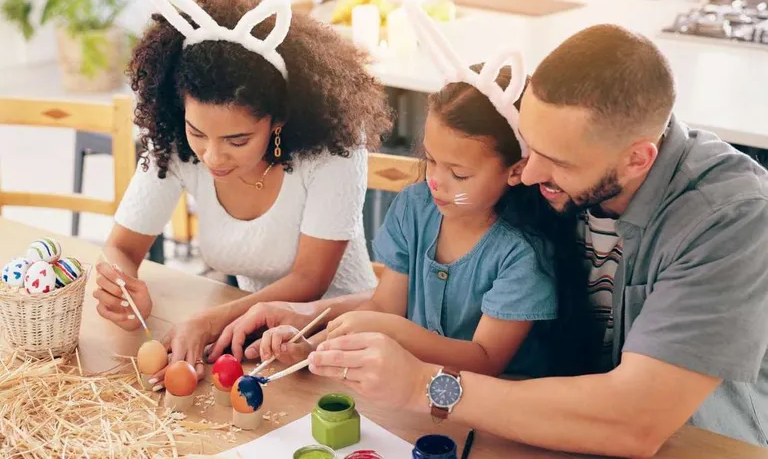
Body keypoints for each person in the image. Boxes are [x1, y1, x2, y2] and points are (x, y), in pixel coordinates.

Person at [239, 24, 768, 455]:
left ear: (637, 159)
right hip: (546, 432)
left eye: (556, 162)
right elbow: (436, 296)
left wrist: (424, 385)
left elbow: (637, 420)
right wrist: (312, 316)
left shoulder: (730, 218)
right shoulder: (561, 177)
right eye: (528, 147)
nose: (530, 174)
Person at [209, 7, 595, 379]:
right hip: (409, 391)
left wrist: (383, 330)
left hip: (493, 407)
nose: (436, 182)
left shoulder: (521, 255)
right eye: (431, 160)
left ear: (515, 171)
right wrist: (307, 332)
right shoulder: (416, 207)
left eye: (459, 174)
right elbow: (384, 306)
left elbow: (485, 360)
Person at [92, 0, 393, 383]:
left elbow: (310, 280)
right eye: (197, 132)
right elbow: (121, 246)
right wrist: (121, 285)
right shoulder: (176, 145)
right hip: (250, 333)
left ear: (279, 118)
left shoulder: (331, 153)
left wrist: (211, 320)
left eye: (237, 140)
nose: (213, 157)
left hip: (337, 335)